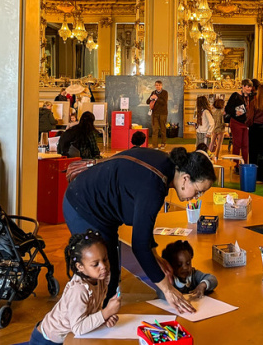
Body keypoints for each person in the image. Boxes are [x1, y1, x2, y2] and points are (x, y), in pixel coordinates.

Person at [63, 147, 216, 312]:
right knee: (97, 275)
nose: (196, 197)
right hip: (83, 207)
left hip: (101, 212)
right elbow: (139, 245)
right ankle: (79, 320)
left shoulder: (167, 165)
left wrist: (155, 256)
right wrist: (167, 289)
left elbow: (144, 223)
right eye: (199, 191)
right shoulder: (154, 186)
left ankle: (101, 318)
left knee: (111, 275)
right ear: (186, 178)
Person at [20, 230, 121, 344]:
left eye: (105, 259)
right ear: (80, 267)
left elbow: (89, 310)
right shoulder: (78, 290)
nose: (103, 266)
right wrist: (105, 313)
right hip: (47, 341)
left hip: (68, 336)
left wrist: (102, 319)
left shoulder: (100, 276)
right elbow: (78, 328)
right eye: (95, 264)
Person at [225, 80, 252, 161]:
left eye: (250, 87)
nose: (249, 88)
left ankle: (244, 164)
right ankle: (236, 164)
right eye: (247, 86)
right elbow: (227, 108)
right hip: (236, 122)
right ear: (243, 86)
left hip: (246, 123)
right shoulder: (235, 95)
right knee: (237, 144)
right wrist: (235, 112)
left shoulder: (251, 97)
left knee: (246, 145)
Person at [148, 81, 169, 149]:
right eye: (156, 85)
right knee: (155, 130)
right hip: (154, 114)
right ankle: (155, 145)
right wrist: (151, 98)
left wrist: (156, 98)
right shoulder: (153, 92)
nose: (158, 86)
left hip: (163, 113)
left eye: (159, 85)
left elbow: (164, 103)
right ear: (155, 86)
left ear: (161, 86)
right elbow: (147, 101)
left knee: (163, 129)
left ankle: (163, 143)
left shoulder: (165, 93)